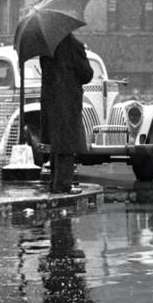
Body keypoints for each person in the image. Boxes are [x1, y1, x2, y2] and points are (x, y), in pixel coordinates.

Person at [39, 29, 93, 193]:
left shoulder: (46, 47)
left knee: (56, 143)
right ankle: (63, 186)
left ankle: (55, 183)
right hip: (67, 100)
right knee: (67, 143)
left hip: (50, 100)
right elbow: (86, 74)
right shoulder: (74, 45)